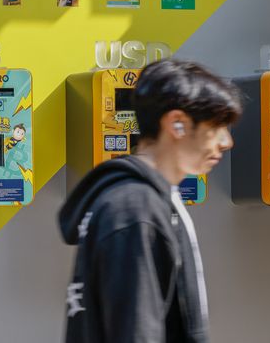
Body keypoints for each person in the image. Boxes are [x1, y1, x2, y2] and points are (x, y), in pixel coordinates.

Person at [59, 59, 242, 342]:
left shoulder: (144, 198)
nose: (226, 142)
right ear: (177, 124)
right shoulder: (135, 208)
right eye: (217, 126)